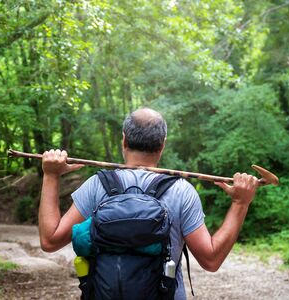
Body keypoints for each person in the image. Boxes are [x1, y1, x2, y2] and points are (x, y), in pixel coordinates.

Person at [38, 108, 259, 299]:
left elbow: (50, 241)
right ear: (162, 145)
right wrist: (240, 203)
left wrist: (50, 176)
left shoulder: (97, 185)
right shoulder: (181, 191)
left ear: (124, 140)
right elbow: (211, 260)